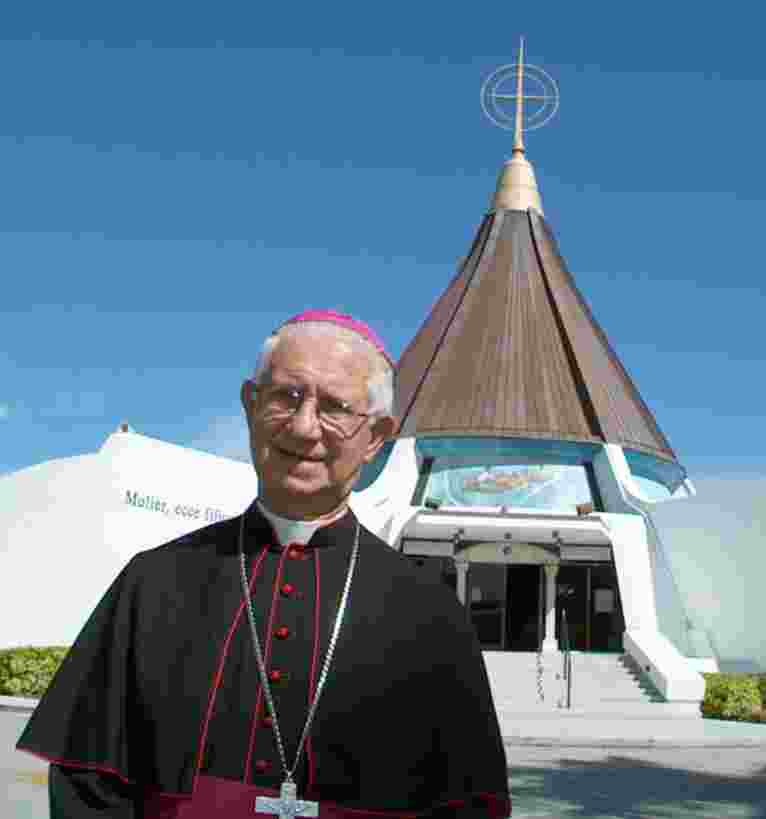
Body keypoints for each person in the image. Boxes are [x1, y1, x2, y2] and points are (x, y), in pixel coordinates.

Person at [17, 309, 511, 818]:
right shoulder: (153, 582)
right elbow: (87, 787)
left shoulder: (430, 613)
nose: (302, 428)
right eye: (285, 397)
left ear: (376, 438)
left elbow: (469, 806)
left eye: (336, 407)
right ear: (251, 405)